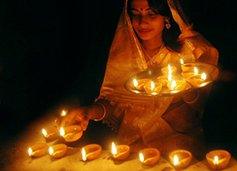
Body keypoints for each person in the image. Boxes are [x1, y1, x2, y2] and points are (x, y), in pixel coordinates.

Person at [61, 0, 219, 159]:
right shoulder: (123, 55)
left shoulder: (187, 54)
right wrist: (87, 112)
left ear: (166, 18)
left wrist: (189, 87)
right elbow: (114, 104)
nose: (142, 22)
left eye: (151, 14)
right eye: (135, 14)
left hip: (178, 147)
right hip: (132, 148)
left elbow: (198, 108)